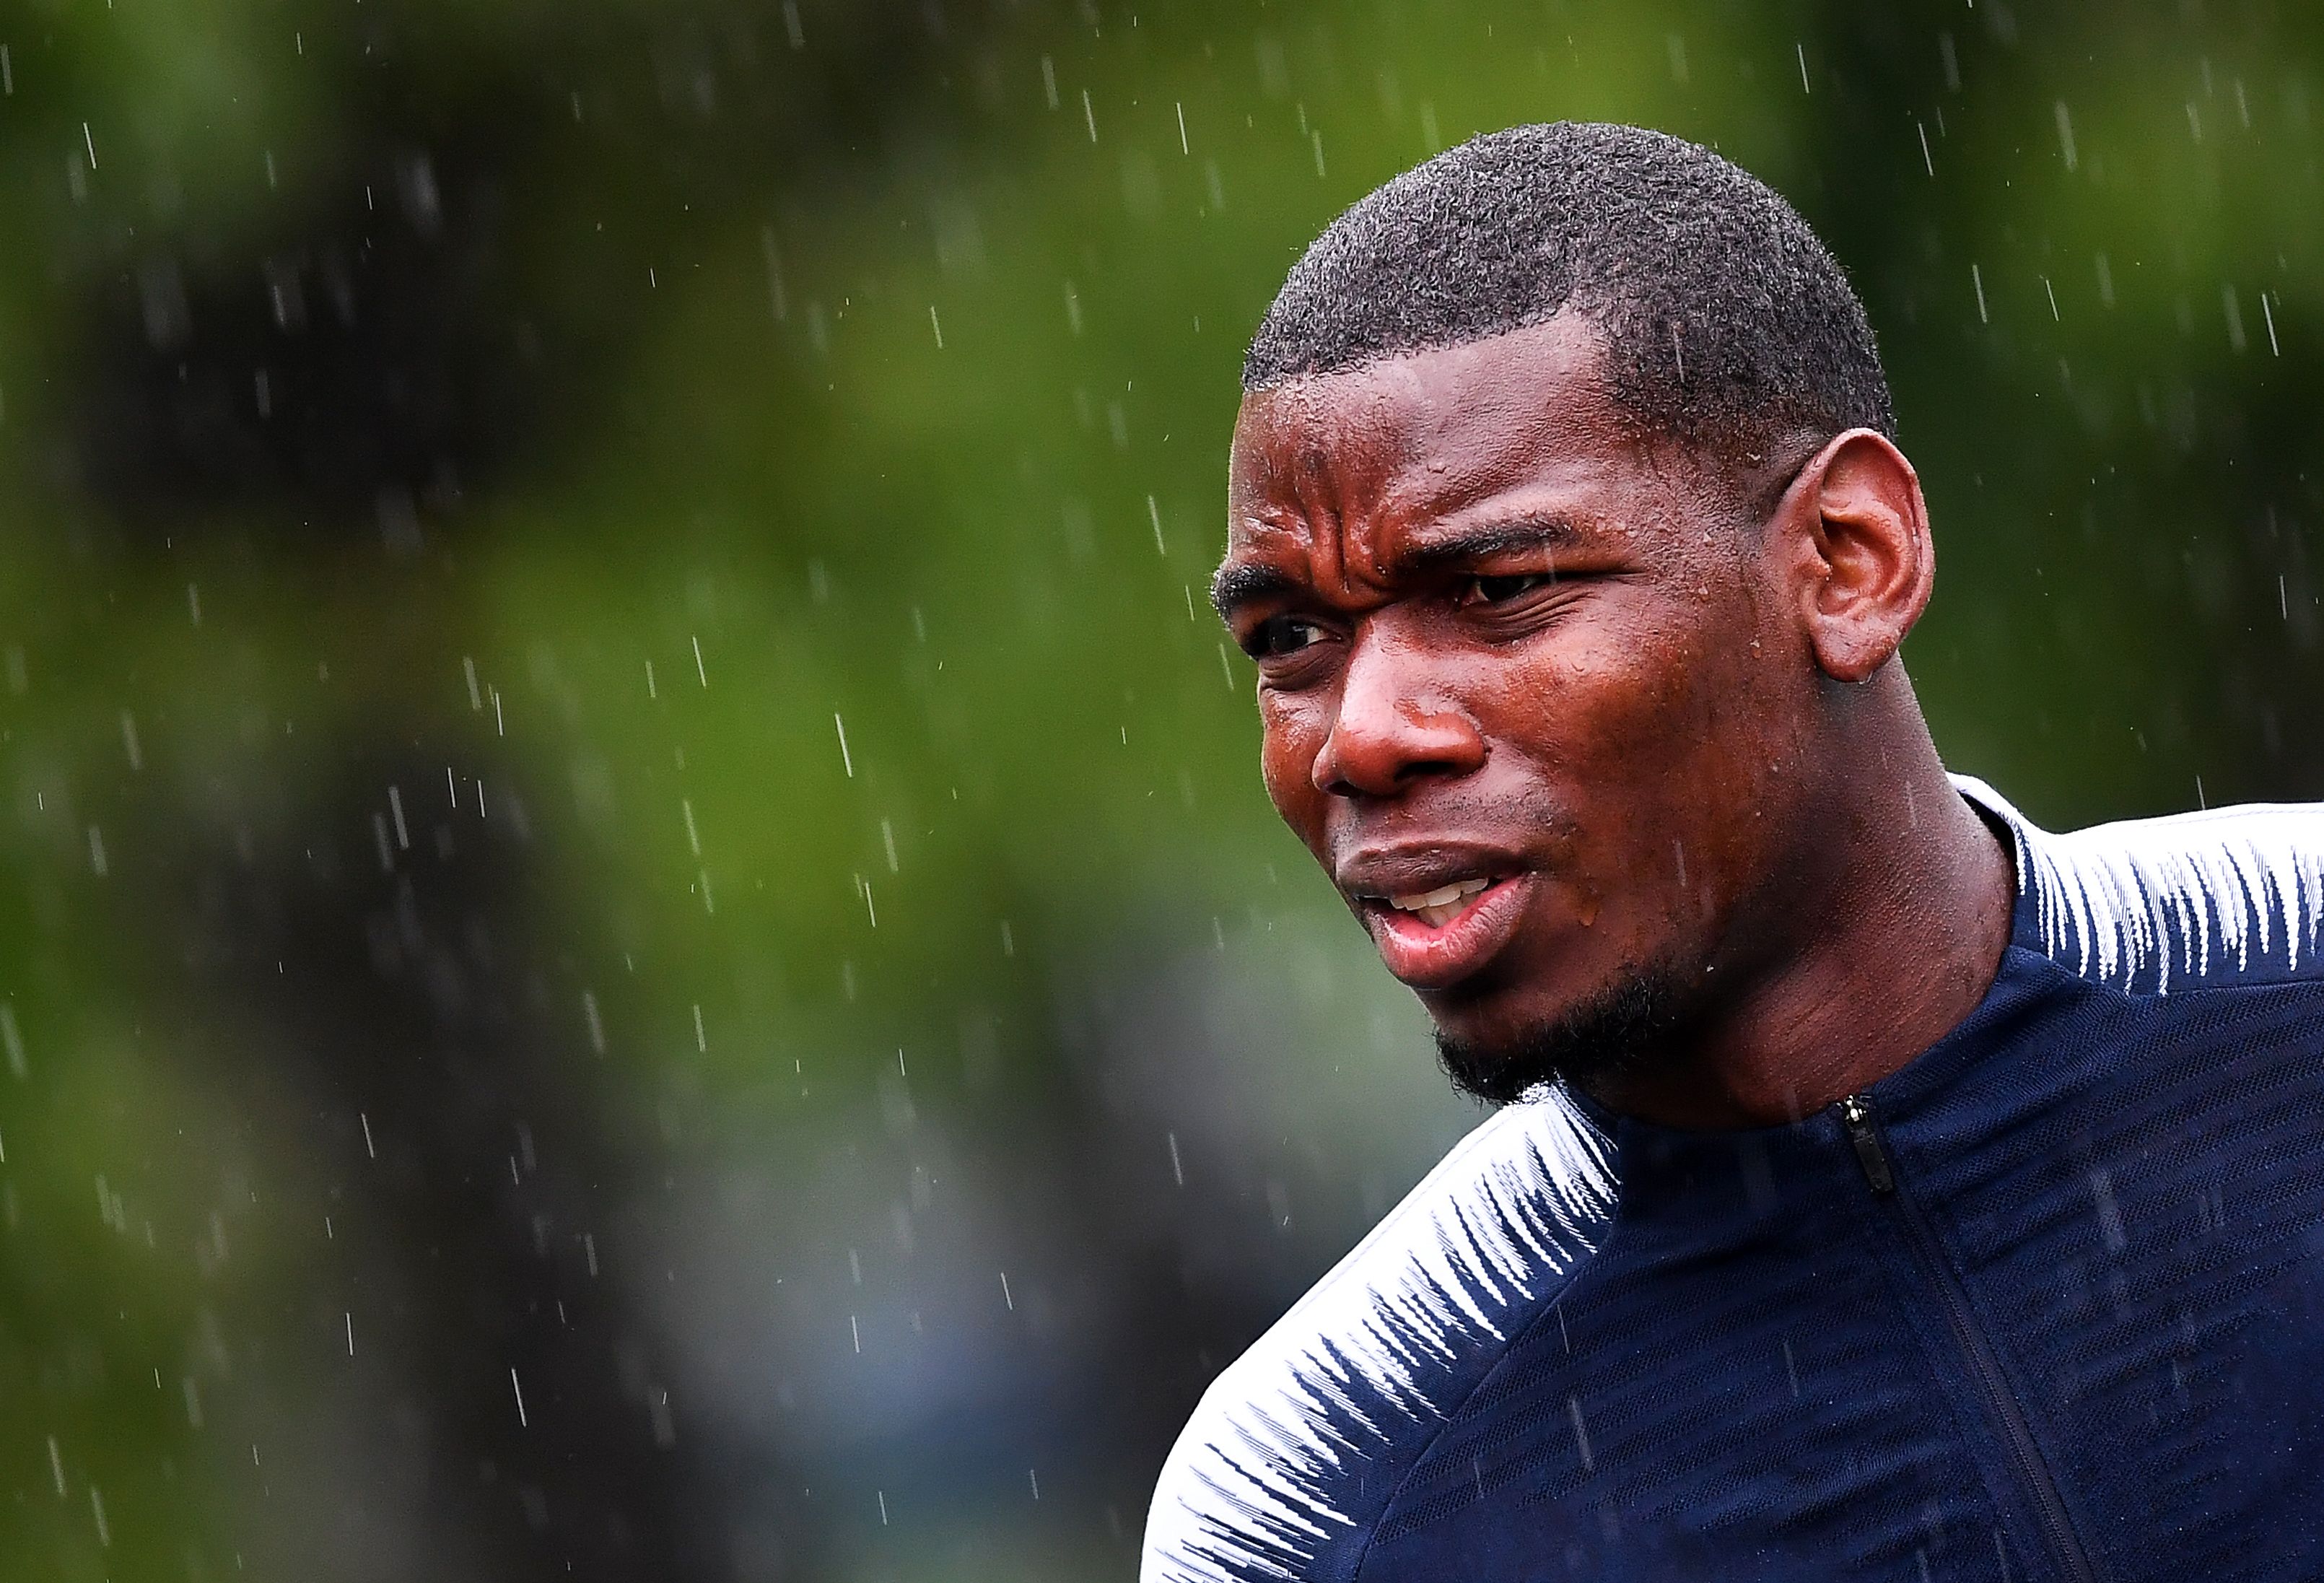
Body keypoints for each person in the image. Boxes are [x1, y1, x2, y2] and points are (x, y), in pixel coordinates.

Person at [1142, 121, 2324, 1583]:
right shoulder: (1313, 1492)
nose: (1360, 736)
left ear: (1844, 559)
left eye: (1501, 587)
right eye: (1290, 641)